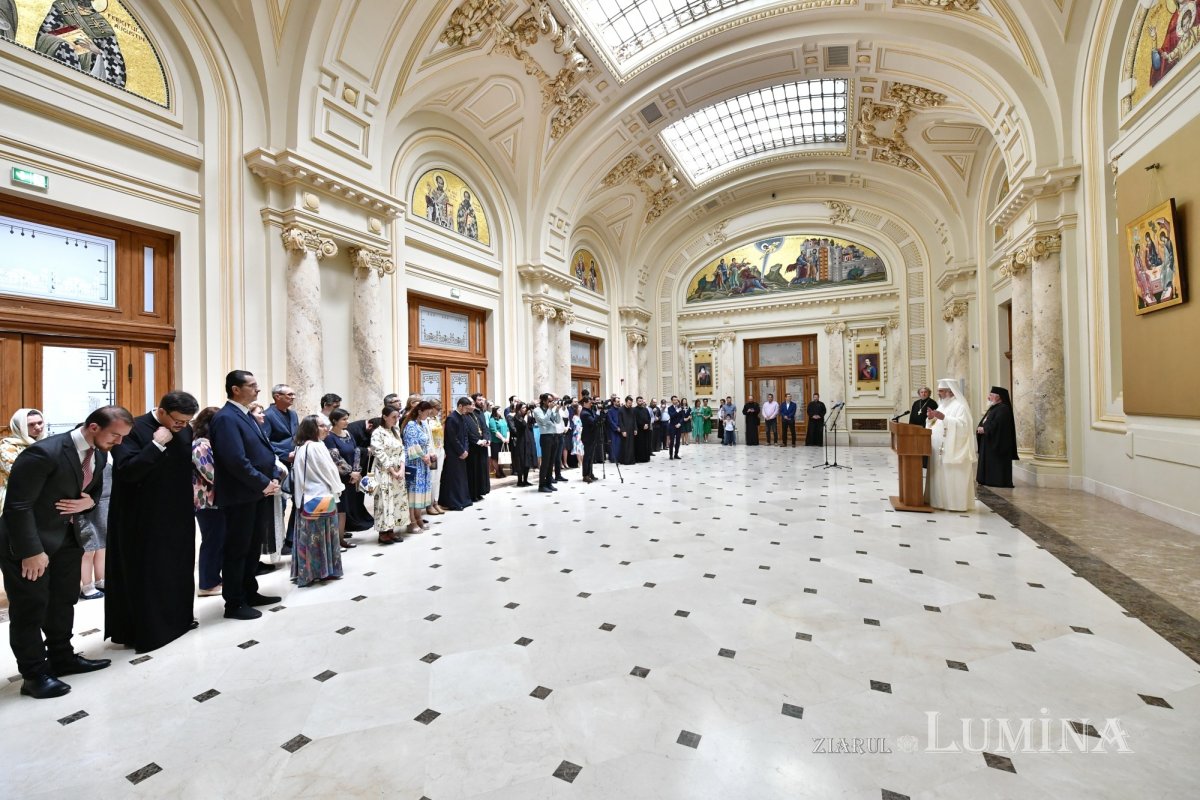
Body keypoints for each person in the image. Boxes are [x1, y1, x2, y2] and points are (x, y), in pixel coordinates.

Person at [0, 405, 133, 699]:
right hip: (28, 543)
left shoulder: (99, 452)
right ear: (94, 427)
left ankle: (62, 657)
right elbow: (17, 506)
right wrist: (31, 551)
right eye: (115, 435)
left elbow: (92, 491)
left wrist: (89, 502)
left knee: (62, 602)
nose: (119, 442)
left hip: (66, 538)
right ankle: (34, 674)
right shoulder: (44, 453)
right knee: (30, 609)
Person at [105, 391, 199, 653]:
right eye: (178, 421)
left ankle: (179, 619)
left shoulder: (185, 430)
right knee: (149, 571)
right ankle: (151, 630)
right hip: (142, 516)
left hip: (178, 513)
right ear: (162, 411)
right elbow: (127, 471)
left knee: (178, 567)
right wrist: (156, 445)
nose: (182, 426)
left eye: (186, 422)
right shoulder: (133, 429)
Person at [208, 372, 284, 621]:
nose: (257, 390)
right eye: (252, 386)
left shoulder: (244, 414)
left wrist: (272, 477)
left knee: (252, 547)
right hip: (240, 495)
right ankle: (234, 602)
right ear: (235, 389)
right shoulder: (226, 418)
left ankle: (249, 591)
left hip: (256, 493)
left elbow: (263, 450)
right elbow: (235, 460)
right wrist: (263, 483)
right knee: (237, 549)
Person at [291, 414, 344, 586]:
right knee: (320, 535)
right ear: (311, 429)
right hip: (321, 496)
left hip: (306, 497)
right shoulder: (316, 446)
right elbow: (329, 471)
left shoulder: (302, 447)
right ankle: (322, 570)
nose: (326, 428)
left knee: (310, 536)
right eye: (321, 426)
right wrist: (338, 487)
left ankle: (309, 571)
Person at [925, 378, 976, 512]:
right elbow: (935, 424)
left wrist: (945, 418)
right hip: (938, 447)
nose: (938, 394)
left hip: (952, 448)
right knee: (940, 476)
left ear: (950, 392)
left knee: (952, 476)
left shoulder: (960, 406)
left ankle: (955, 504)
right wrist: (930, 418)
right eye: (938, 391)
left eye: (941, 391)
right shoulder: (942, 405)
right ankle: (939, 502)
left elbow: (964, 426)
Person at [191, 407, 225, 598]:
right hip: (207, 501)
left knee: (217, 540)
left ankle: (214, 578)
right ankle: (207, 583)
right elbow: (211, 474)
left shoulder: (209, 443)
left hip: (214, 500)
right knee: (212, 541)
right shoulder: (201, 445)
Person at [323, 409, 363, 548]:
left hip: (351, 477)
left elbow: (356, 451)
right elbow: (335, 458)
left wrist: (356, 471)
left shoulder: (348, 433)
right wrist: (350, 472)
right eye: (344, 419)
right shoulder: (330, 437)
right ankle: (336, 541)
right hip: (339, 477)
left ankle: (341, 539)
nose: (347, 421)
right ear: (335, 421)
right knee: (339, 509)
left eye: (347, 418)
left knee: (345, 510)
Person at [370, 406, 408, 543]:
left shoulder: (395, 431)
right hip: (384, 471)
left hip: (398, 470)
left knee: (396, 501)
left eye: (397, 417)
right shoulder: (377, 433)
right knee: (384, 500)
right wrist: (392, 470)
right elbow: (379, 453)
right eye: (393, 417)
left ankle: (391, 529)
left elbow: (402, 450)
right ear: (385, 417)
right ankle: (383, 532)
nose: (396, 420)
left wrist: (402, 468)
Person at [1, 408, 48, 514]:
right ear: (19, 426)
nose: (38, 427)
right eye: (31, 424)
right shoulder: (8, 447)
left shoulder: (47, 442)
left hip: (44, 497)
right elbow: (18, 474)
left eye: (40, 423)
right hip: (17, 498)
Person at [76, 459, 110, 600]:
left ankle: (100, 580)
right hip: (84, 508)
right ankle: (87, 585)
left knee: (102, 546)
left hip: (104, 504)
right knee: (88, 550)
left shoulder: (104, 457)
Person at [976, 386, 1018, 488]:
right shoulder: (994, 408)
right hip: (988, 440)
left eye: (991, 395)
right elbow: (988, 421)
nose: (988, 397)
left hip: (998, 442)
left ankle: (996, 481)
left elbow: (998, 424)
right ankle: (986, 479)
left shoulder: (1003, 409)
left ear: (998, 397)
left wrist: (985, 429)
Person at [403, 401, 435, 533]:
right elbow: (412, 444)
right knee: (413, 493)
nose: (428, 415)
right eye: (427, 413)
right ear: (420, 411)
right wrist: (424, 456)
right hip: (414, 463)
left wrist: (429, 454)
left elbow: (426, 442)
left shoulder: (421, 424)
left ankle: (418, 517)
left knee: (421, 492)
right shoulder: (411, 425)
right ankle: (411, 521)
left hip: (423, 463)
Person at [440, 397, 475, 510]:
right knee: (453, 478)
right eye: (466, 408)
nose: (467, 411)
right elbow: (452, 438)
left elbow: (465, 436)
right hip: (453, 453)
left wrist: (466, 450)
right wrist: (461, 451)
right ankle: (454, 502)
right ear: (460, 406)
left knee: (461, 478)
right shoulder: (451, 418)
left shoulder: (462, 417)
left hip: (462, 452)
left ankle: (463, 500)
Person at [533, 393, 563, 493]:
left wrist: (557, 410)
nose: (551, 402)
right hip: (546, 437)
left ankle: (549, 483)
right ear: (544, 401)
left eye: (552, 401)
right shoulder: (537, 410)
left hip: (554, 436)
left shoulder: (550, 410)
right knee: (545, 462)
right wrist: (550, 409)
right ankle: (541, 485)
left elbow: (557, 421)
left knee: (551, 462)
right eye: (549, 401)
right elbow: (543, 421)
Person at [466, 393, 491, 500]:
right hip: (474, 447)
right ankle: (473, 493)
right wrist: (478, 441)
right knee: (474, 471)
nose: (481, 402)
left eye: (482, 399)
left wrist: (487, 439)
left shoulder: (480, 413)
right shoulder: (468, 414)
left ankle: (481, 491)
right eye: (479, 400)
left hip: (483, 445)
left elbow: (485, 428)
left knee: (482, 470)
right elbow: (469, 431)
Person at [425, 400, 446, 515]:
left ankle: (435, 501)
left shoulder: (436, 419)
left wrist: (443, 449)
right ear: (431, 408)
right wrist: (431, 452)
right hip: (432, 452)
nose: (439, 411)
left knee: (438, 478)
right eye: (437, 408)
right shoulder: (426, 421)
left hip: (439, 450)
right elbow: (427, 438)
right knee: (431, 478)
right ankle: (429, 504)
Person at [510, 402, 536, 486]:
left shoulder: (526, 416)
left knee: (527, 460)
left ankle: (525, 480)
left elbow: (534, 421)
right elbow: (523, 425)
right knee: (521, 461)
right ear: (519, 409)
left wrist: (531, 413)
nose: (525, 409)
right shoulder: (516, 417)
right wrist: (526, 417)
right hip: (521, 441)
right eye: (523, 408)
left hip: (528, 440)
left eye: (525, 407)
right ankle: (519, 481)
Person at [579, 397, 600, 482]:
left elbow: (598, 420)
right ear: (584, 403)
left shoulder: (589, 411)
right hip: (587, 437)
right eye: (589, 402)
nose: (591, 404)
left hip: (592, 436)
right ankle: (585, 475)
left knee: (591, 456)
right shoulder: (584, 413)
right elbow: (593, 422)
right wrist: (598, 412)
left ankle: (590, 473)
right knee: (587, 456)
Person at [488, 406, 510, 479]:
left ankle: (501, 470)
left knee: (502, 457)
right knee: (495, 458)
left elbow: (507, 429)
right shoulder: (492, 420)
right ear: (495, 411)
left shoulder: (502, 419)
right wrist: (502, 438)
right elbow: (494, 431)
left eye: (501, 410)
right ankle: (497, 472)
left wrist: (507, 438)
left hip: (504, 442)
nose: (500, 411)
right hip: (495, 442)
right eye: (499, 410)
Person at [618, 396, 637, 465]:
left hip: (631, 430)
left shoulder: (632, 409)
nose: (630, 404)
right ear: (626, 402)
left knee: (631, 446)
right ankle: (624, 461)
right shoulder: (621, 409)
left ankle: (631, 460)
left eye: (631, 403)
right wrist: (623, 430)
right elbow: (620, 421)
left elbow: (634, 420)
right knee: (625, 446)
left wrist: (635, 429)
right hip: (625, 430)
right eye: (629, 403)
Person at [634, 397, 652, 463]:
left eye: (641, 401)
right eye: (639, 401)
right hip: (639, 430)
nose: (641, 402)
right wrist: (642, 425)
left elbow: (649, 418)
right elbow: (635, 420)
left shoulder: (645, 409)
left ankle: (646, 458)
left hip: (646, 430)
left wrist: (647, 424)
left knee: (646, 444)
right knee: (639, 445)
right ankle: (639, 458)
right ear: (636, 401)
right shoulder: (634, 410)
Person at [606, 397, 623, 464]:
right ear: (614, 402)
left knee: (619, 445)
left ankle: (619, 458)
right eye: (617, 401)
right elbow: (610, 421)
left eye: (619, 401)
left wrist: (621, 427)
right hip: (613, 430)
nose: (619, 403)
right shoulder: (610, 410)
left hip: (620, 429)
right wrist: (616, 428)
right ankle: (613, 458)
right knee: (614, 445)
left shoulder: (620, 410)